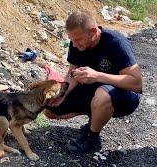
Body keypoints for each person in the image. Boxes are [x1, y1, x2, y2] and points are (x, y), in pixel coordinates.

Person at [43, 11, 143, 154]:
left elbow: (137, 83)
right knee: (50, 110)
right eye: (72, 40)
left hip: (125, 96)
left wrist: (98, 76)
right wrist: (62, 95)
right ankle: (95, 115)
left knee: (102, 94)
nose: (75, 45)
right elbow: (72, 73)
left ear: (93, 31)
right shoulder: (76, 44)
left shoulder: (116, 43)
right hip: (95, 90)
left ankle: (91, 138)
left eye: (78, 39)